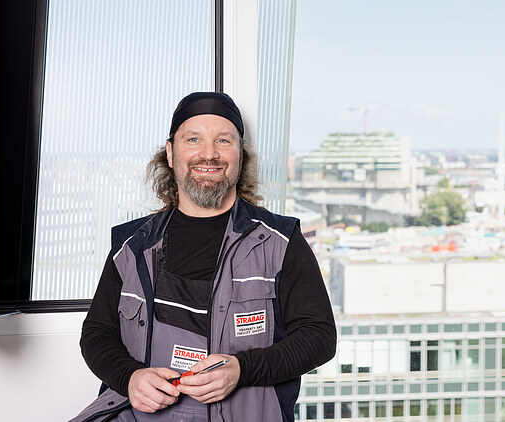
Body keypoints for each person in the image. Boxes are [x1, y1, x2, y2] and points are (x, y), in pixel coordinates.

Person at [71, 92, 337, 422]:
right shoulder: (131, 245)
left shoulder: (281, 242)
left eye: (223, 141)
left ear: (240, 156)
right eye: (193, 139)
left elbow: (319, 338)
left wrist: (242, 369)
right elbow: (97, 333)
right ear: (170, 153)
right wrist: (130, 378)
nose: (208, 154)